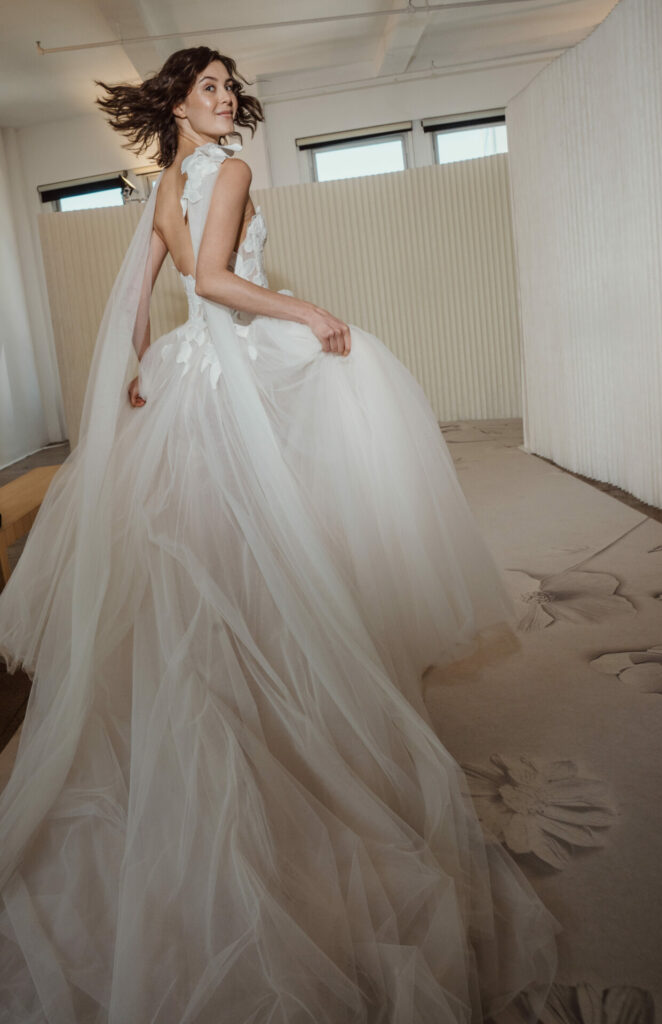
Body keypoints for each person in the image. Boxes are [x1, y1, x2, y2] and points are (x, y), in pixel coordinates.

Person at [0, 45, 561, 1024]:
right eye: (206, 86)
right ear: (174, 97)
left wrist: (138, 369)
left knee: (213, 546)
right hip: (233, 363)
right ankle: (290, 671)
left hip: (187, 372)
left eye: (228, 87)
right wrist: (306, 308)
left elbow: (145, 295)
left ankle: (248, 664)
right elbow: (213, 280)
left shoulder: (165, 178)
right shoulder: (229, 168)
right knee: (288, 505)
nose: (224, 99)